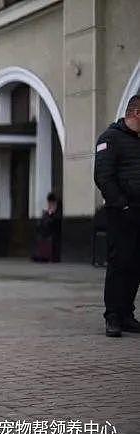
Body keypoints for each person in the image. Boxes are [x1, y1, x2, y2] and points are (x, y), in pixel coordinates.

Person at [94, 94, 140, 337]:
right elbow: (103, 177)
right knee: (119, 264)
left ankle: (126, 315)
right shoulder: (110, 138)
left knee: (135, 266)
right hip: (121, 214)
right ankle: (112, 316)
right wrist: (122, 205)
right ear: (136, 113)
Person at [32, 192, 61, 263]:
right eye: (49, 203)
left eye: (51, 203)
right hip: (46, 230)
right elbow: (44, 221)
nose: (50, 204)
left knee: (47, 239)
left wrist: (50, 213)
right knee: (40, 237)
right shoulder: (47, 210)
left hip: (52, 231)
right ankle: (39, 255)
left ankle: (44, 256)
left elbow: (53, 220)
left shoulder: (56, 209)